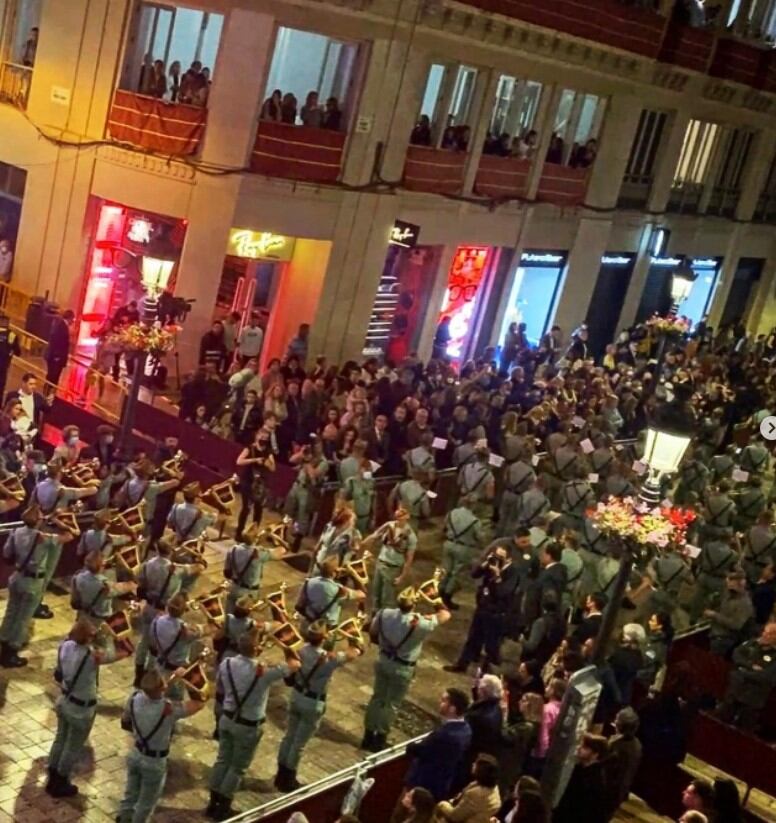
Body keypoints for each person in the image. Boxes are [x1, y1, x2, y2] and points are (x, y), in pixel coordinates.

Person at [208, 629, 301, 819]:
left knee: (222, 759)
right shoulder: (263, 672)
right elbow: (295, 665)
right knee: (237, 767)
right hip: (248, 725)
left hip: (227, 718)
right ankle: (223, 807)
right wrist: (285, 646)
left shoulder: (226, 664)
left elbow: (220, 685)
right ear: (257, 648)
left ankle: (212, 803)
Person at [275, 620, 362, 792]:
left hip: (297, 695)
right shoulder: (329, 658)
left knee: (289, 736)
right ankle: (288, 779)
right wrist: (353, 637)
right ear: (323, 638)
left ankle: (280, 774)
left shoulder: (299, 650)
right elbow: (353, 653)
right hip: (313, 701)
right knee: (299, 743)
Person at [363, 585, 451, 752]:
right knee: (391, 703)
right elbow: (445, 614)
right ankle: (379, 738)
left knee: (377, 698)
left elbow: (373, 633)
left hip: (384, 660)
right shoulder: (420, 624)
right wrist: (435, 598)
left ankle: (367, 736)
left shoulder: (384, 614)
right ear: (414, 604)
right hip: (403, 667)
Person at [47, 618, 127, 796]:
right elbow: (120, 653)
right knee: (73, 746)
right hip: (81, 709)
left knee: (60, 738)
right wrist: (109, 635)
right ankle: (60, 780)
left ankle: (52, 772)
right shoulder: (92, 656)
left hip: (65, 699)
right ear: (88, 637)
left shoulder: (66, 646)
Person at [117, 668, 207, 823]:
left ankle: (123, 818)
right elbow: (199, 703)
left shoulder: (133, 698)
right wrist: (186, 680)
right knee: (146, 803)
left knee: (130, 794)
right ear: (163, 688)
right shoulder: (168, 709)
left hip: (136, 753)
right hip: (154, 761)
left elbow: (125, 720)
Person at [0, 506, 69, 667]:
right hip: (32, 581)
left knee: (11, 611)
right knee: (24, 617)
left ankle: (4, 639)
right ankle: (11, 652)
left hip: (17, 576)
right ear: (37, 521)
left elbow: (7, 553)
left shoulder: (16, 532)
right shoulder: (43, 538)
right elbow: (69, 535)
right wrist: (59, 521)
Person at [445, 542, 520, 673]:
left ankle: (490, 674)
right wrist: (485, 564)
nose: (497, 559)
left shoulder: (513, 572)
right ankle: (462, 665)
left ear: (509, 559)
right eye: (496, 555)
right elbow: (474, 574)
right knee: (472, 639)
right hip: (483, 607)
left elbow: (503, 592)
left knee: (491, 646)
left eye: (501, 557)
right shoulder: (491, 564)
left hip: (496, 613)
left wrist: (497, 576)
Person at [402, 687, 472, 802]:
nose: (440, 703)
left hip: (421, 784)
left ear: (452, 709)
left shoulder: (445, 735)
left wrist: (411, 746)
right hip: (441, 785)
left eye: (444, 701)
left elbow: (419, 750)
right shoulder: (466, 729)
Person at [716, 621, 776, 731]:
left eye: (769, 633)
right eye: (764, 631)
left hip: (752, 699)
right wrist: (751, 666)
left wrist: (742, 671)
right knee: (720, 723)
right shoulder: (752, 643)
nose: (764, 635)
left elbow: (765, 677)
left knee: (743, 731)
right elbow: (736, 654)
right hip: (735, 691)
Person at [551, 733, 608, 823]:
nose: (579, 749)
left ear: (595, 755)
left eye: (585, 748)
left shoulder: (594, 781)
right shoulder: (579, 768)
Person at [440, 495, 484, 610]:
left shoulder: (451, 513)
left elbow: (444, 527)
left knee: (445, 570)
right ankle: (447, 597)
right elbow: (479, 537)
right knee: (456, 573)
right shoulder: (475, 521)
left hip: (448, 543)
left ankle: (439, 591)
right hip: (464, 548)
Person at [433, 753, 501, 822]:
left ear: (482, 771)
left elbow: (455, 816)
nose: (473, 764)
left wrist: (442, 804)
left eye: (476, 764)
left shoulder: (476, 794)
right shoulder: (493, 787)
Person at [235, 427, 276, 540]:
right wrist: (254, 460)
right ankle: (239, 531)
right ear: (257, 436)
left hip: (260, 483)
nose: (263, 439)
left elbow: (273, 468)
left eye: (265, 438)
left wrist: (267, 463)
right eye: (261, 436)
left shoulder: (268, 451)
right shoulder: (250, 448)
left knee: (258, 509)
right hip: (248, 480)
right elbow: (239, 461)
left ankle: (253, 533)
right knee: (246, 508)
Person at [602, 707, 642, 818]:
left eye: (616, 720)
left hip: (608, 793)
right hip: (620, 792)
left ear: (620, 725)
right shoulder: (637, 744)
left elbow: (606, 770)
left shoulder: (617, 747)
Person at [45, 309, 74, 386]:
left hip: (56, 358)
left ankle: (49, 394)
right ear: (70, 318)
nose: (73, 322)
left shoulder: (61, 325)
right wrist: (57, 356)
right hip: (56, 359)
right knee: (52, 378)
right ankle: (48, 395)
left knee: (52, 378)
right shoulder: (61, 326)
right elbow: (56, 341)